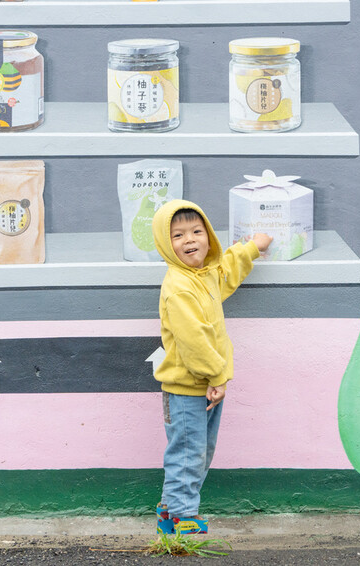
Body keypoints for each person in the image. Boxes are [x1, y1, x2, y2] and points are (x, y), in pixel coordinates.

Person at [151, 199, 272, 535]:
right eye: (177, 235)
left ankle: (170, 512)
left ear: (209, 236)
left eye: (196, 231)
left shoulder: (203, 276)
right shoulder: (179, 287)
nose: (189, 239)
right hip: (188, 389)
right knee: (188, 456)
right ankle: (180, 522)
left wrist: (253, 247)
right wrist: (218, 376)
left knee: (198, 454)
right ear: (165, 243)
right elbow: (194, 341)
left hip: (205, 386)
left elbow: (226, 270)